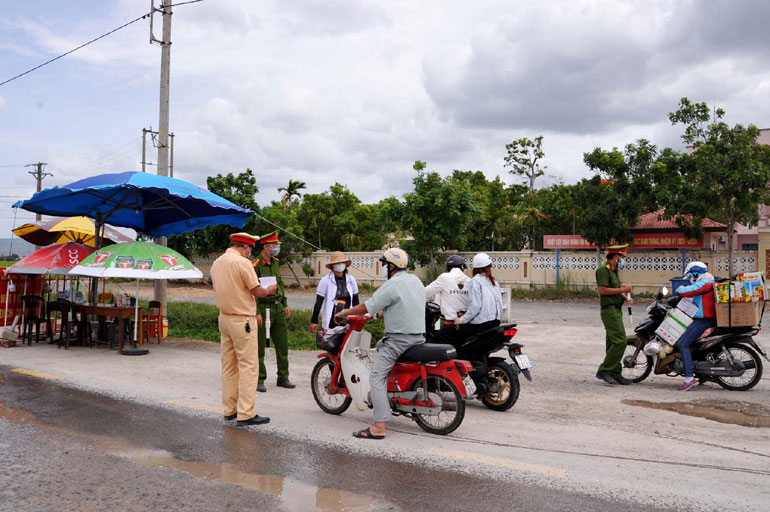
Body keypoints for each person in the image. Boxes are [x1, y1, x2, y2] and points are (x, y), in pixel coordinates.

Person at [334, 248, 425, 440]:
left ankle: (379, 426)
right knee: (382, 347)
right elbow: (403, 304)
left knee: (376, 377)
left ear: (392, 266)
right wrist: (381, 313)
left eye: (385, 264)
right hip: (418, 337)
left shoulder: (392, 284)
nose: (384, 268)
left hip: (399, 340)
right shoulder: (415, 280)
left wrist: (344, 313)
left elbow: (366, 306)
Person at [210, 232, 277, 427]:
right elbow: (257, 291)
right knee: (248, 366)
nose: (250, 254)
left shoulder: (217, 263)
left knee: (229, 366)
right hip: (243, 320)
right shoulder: (242, 263)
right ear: (245, 247)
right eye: (250, 250)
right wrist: (269, 290)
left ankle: (230, 410)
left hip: (224, 319)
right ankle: (246, 413)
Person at [253, 231, 293, 392]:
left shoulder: (275, 263)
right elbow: (252, 289)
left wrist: (285, 304)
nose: (276, 248)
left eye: (277, 245)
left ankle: (283, 377)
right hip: (263, 307)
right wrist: (256, 311)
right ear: (265, 247)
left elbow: (280, 285)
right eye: (273, 245)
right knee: (260, 345)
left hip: (277, 307)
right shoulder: (256, 265)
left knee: (282, 344)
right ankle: (259, 378)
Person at [674, 261, 716, 391]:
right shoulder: (707, 281)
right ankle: (700, 373)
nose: (691, 278)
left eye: (691, 275)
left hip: (704, 319)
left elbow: (689, 291)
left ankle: (689, 378)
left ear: (696, 272)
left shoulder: (705, 282)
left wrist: (679, 289)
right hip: (705, 318)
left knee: (683, 344)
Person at [595, 244, 634, 386]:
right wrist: (623, 289)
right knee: (620, 341)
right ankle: (604, 370)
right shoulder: (602, 271)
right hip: (609, 310)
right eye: (622, 257)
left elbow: (616, 289)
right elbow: (603, 291)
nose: (623, 260)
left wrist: (625, 297)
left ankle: (615, 372)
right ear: (616, 257)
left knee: (612, 342)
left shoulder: (614, 271)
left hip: (616, 309)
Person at [424, 254, 470, 346]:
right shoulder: (469, 280)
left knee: (432, 347)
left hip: (451, 326)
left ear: (448, 267)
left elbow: (425, 293)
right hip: (468, 327)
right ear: (462, 267)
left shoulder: (444, 277)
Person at [453, 253, 502, 337]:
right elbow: (499, 305)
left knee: (447, 332)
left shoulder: (475, 281)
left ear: (475, 268)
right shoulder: (494, 282)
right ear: (489, 267)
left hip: (481, 325)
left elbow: (475, 307)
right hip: (495, 322)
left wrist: (461, 320)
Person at [310, 251, 360, 334]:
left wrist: (357, 319)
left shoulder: (351, 280)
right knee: (332, 343)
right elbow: (318, 303)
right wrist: (314, 320)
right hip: (331, 320)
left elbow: (356, 302)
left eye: (342, 263)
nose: (340, 265)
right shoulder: (325, 280)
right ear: (332, 266)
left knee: (346, 344)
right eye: (337, 263)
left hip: (347, 319)